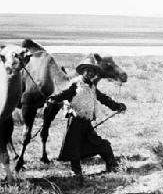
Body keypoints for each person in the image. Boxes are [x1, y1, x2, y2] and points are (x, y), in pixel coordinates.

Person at [47, 55, 126, 185]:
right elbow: (64, 94)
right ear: (83, 71)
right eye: (87, 70)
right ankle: (77, 175)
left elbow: (103, 98)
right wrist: (54, 98)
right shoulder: (75, 84)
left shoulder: (92, 87)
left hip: (86, 123)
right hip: (75, 122)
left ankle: (112, 167)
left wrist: (117, 106)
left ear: (95, 74)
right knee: (74, 149)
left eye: (93, 71)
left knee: (103, 145)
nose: (90, 73)